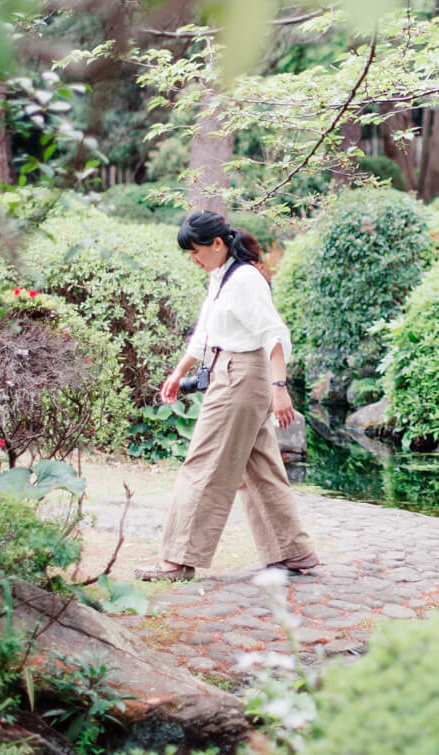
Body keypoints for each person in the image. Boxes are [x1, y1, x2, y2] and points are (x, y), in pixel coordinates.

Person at [134, 211, 319, 581]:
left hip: (241, 378)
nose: (194, 259)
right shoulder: (221, 277)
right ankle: (294, 553)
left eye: (196, 251)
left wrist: (280, 388)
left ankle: (178, 560)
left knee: (203, 464)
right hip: (231, 373)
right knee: (260, 469)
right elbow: (205, 334)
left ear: (217, 243)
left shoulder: (245, 279)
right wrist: (178, 373)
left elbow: (274, 334)